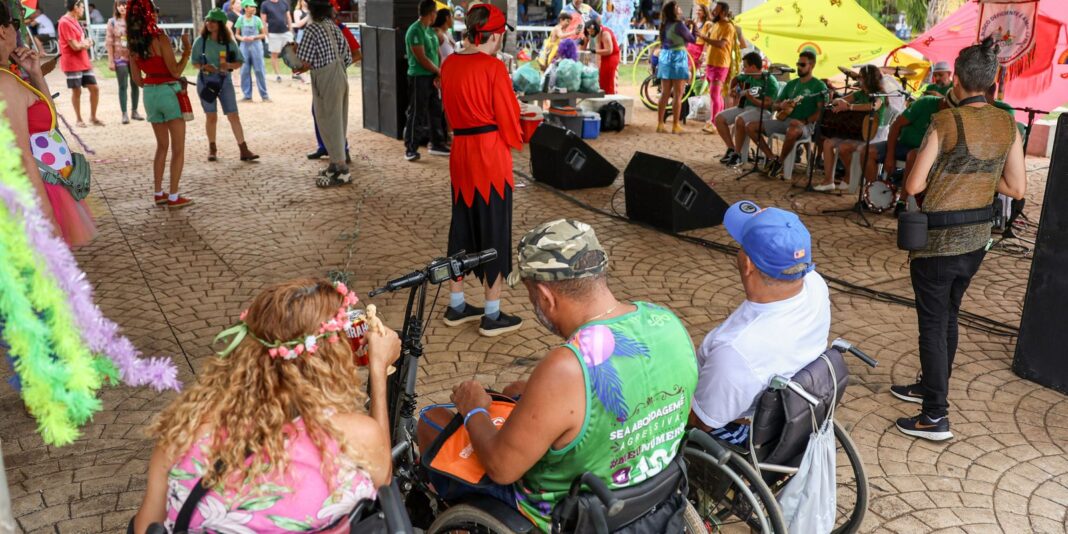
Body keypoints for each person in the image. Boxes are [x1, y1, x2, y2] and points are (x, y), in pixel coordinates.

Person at [419, 219, 698, 532]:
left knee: (432, 422)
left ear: (545, 296)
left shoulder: (566, 368)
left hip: (567, 514)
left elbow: (501, 467)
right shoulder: (668, 323)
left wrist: (474, 409)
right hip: (649, 495)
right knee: (515, 390)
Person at [131, 279, 395, 532]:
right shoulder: (354, 438)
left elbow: (146, 527)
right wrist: (378, 370)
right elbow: (382, 480)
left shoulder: (184, 434)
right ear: (331, 359)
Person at [892, 38, 1026, 442]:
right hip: (975, 242)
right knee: (948, 315)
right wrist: (980, 178)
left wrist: (947, 177)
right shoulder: (1007, 123)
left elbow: (914, 183)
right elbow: (1017, 188)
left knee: (932, 325)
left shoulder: (945, 122)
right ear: (991, 80)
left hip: (936, 242)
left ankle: (935, 416)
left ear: (958, 78)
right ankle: (931, 388)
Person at [690, 201, 829, 446]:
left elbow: (702, 421)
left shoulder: (737, 351)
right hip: (788, 417)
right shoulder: (815, 284)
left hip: (739, 430)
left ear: (747, 264)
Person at [439, 4, 523, 337]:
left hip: (461, 153)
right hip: (490, 157)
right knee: (494, 228)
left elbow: (448, 111)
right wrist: (518, 131)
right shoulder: (493, 68)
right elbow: (510, 120)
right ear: (497, 35)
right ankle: (492, 313)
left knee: (461, 227)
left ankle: (457, 304)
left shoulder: (449, 64)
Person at [0, 1, 96, 246]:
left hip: (48, 183)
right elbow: (21, 155)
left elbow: (48, 123)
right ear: (3, 30)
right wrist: (47, 219)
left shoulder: (9, 75)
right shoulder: (4, 83)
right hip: (38, 192)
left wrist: (35, 74)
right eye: (16, 23)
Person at [127, 0, 194, 209]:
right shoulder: (160, 38)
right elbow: (175, 71)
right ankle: (174, 196)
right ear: (149, 15)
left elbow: (137, 80)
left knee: (161, 146)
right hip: (168, 93)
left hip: (149, 95)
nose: (156, 15)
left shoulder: (133, 45)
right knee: (178, 148)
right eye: (153, 12)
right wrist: (186, 52)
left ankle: (158, 193)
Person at [294, 0, 354, 187]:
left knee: (329, 121)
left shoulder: (313, 28)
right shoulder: (333, 26)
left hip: (326, 77)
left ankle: (342, 169)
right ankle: (335, 165)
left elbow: (304, 61)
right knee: (338, 120)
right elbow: (348, 56)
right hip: (341, 75)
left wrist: (290, 57)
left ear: (311, 10)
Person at [746, 50, 826, 179]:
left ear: (812, 66)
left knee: (792, 130)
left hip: (804, 125)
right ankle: (771, 158)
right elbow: (774, 104)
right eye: (797, 64)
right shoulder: (791, 84)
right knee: (750, 126)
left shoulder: (818, 86)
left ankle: (780, 162)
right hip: (784, 121)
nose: (798, 67)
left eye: (802, 64)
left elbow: (821, 111)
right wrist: (780, 106)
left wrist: (805, 121)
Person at [193, 9, 259, 163]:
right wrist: (203, 67)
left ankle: (244, 149)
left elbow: (239, 61)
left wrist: (229, 65)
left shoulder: (229, 42)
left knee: (233, 115)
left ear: (221, 24)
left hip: (225, 81)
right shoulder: (200, 41)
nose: (209, 23)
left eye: (213, 21)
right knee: (211, 116)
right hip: (206, 81)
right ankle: (212, 148)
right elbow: (194, 62)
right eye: (208, 20)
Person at [816, 64, 887, 191]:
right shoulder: (859, 93)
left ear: (869, 78)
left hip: (872, 134)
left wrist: (850, 107)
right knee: (827, 143)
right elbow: (842, 100)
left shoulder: (878, 95)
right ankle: (829, 181)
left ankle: (850, 176)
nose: (858, 79)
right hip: (855, 132)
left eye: (861, 77)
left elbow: (873, 106)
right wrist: (836, 102)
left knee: (844, 147)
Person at [865, 94, 951, 187]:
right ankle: (873, 193)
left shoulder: (956, 116)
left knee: (913, 155)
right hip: (902, 146)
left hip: (924, 154)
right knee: (867, 152)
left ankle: (902, 200)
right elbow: (896, 126)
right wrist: (890, 156)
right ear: (944, 101)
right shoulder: (925, 102)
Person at [403, 0, 448, 162]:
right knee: (417, 113)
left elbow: (437, 54)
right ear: (431, 13)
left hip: (432, 76)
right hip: (419, 77)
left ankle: (437, 143)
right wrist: (438, 71)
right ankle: (411, 148)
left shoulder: (429, 31)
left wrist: (438, 73)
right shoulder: (415, 31)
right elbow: (421, 58)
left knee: (435, 110)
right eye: (435, 12)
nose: (437, 15)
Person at [715, 52, 778, 167]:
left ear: (753, 67)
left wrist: (752, 99)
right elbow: (735, 79)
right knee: (719, 118)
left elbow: (769, 104)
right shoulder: (747, 76)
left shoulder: (769, 80)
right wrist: (732, 90)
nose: (743, 68)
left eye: (745, 66)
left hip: (762, 111)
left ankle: (738, 155)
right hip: (744, 107)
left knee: (740, 119)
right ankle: (731, 149)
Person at [58, 0, 102, 127]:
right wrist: (87, 43)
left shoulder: (74, 20)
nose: (83, 9)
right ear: (75, 7)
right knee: (76, 91)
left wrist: (85, 43)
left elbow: (79, 42)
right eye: (82, 7)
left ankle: (93, 117)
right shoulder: (65, 22)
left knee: (94, 88)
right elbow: (75, 46)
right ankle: (79, 119)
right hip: (72, 62)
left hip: (83, 60)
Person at [656, 1, 693, 134]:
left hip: (665, 57)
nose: (680, 8)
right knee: (678, 94)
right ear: (673, 11)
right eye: (677, 7)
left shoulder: (664, 24)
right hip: (678, 58)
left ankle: (660, 124)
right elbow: (692, 39)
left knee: (665, 93)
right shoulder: (679, 25)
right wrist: (690, 28)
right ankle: (675, 125)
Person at [698, 1, 735, 133]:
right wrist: (703, 55)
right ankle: (716, 120)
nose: (713, 11)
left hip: (721, 64)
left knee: (714, 94)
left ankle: (714, 123)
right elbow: (709, 44)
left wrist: (704, 38)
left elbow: (721, 44)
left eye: (717, 10)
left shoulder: (729, 27)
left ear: (723, 12)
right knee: (715, 95)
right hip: (711, 63)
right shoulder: (715, 24)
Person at [105, 0, 144, 124]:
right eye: (120, 5)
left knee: (135, 84)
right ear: (116, 7)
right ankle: (124, 114)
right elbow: (109, 43)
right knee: (123, 86)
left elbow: (140, 39)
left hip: (133, 58)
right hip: (119, 59)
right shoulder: (112, 22)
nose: (122, 7)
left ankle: (135, 111)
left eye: (125, 4)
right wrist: (111, 61)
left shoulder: (133, 21)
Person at [235, 0, 270, 102]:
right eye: (251, 6)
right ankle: (247, 96)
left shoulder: (257, 20)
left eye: (254, 7)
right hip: (244, 47)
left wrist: (254, 37)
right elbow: (237, 34)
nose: (254, 8)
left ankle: (265, 96)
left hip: (256, 47)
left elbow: (263, 34)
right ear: (245, 8)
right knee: (244, 71)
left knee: (259, 70)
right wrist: (242, 39)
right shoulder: (240, 20)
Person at [260, 0, 293, 83]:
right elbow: (263, 20)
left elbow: (288, 16)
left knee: (293, 52)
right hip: (273, 33)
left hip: (285, 32)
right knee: (274, 54)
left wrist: (290, 29)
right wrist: (266, 33)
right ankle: (278, 75)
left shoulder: (284, 2)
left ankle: (296, 73)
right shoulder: (265, 4)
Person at [584, 20, 619, 94]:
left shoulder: (605, 34)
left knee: (608, 78)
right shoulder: (598, 33)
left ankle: (610, 94)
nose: (590, 34)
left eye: (591, 32)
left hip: (611, 56)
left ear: (595, 29)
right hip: (604, 56)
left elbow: (609, 50)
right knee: (601, 77)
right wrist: (597, 65)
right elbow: (598, 49)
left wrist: (594, 51)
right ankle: (604, 94)